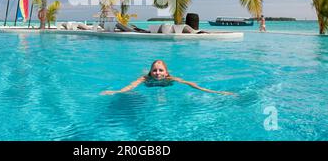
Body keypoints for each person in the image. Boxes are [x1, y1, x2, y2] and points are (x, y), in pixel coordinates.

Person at [100, 60, 235, 96]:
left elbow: (191, 84)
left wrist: (215, 92)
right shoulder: (145, 78)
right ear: (150, 72)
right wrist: (116, 92)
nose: (157, 73)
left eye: (160, 70)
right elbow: (131, 86)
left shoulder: (171, 79)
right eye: (154, 70)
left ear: (166, 73)